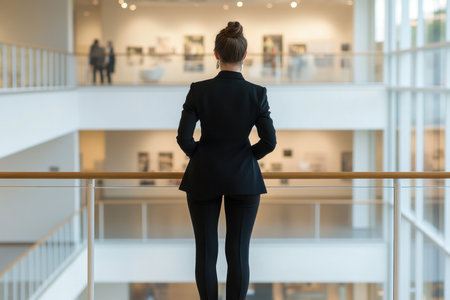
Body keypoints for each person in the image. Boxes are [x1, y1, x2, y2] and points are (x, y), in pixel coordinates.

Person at [176, 21, 276, 300]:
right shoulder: (257, 93)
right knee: (238, 251)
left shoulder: (199, 90)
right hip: (244, 179)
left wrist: (202, 157)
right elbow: (269, 142)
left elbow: (184, 138)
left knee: (206, 251)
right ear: (245, 57)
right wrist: (246, 157)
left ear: (216, 55)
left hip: (203, 176)